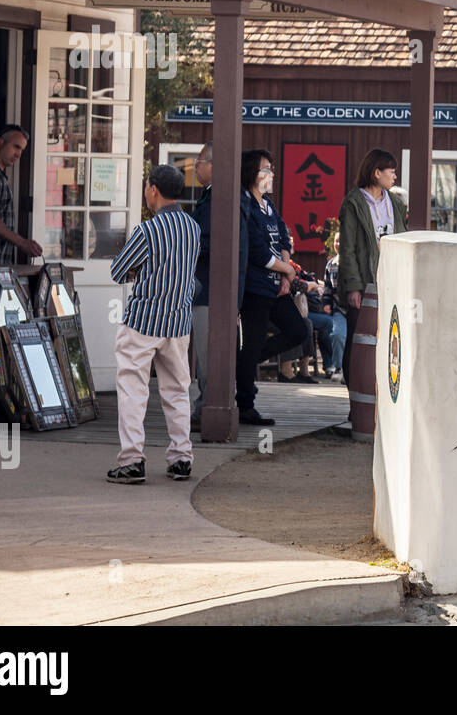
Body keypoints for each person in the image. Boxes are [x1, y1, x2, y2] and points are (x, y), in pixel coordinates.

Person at [106, 165, 201, 484]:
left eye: (147, 186)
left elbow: (119, 271)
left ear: (153, 190)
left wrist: (138, 272)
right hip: (178, 321)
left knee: (133, 389)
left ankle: (132, 460)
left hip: (144, 320)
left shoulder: (148, 230)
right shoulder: (192, 228)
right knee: (177, 390)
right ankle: (181, 457)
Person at [237, 149, 307, 425]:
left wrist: (287, 274)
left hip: (277, 285)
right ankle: (245, 406)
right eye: (265, 169)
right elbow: (256, 250)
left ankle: (243, 363)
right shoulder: (246, 206)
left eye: (272, 168)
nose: (271, 174)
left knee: (298, 330)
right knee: (252, 343)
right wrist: (286, 269)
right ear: (252, 173)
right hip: (255, 288)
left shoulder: (269, 205)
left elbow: (284, 240)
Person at [188, 143, 249, 432]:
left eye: (198, 161)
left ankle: (207, 408)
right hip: (218, 290)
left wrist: (184, 248)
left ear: (212, 165)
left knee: (207, 355)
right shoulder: (224, 198)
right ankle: (206, 405)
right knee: (209, 355)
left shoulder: (218, 201)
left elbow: (211, 242)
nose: (195, 167)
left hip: (210, 289)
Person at [337, 149, 407, 386]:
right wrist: (353, 288)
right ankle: (356, 399)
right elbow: (347, 249)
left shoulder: (395, 203)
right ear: (377, 173)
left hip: (391, 282)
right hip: (365, 282)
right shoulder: (354, 203)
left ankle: (379, 398)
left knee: (388, 341)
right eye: (391, 172)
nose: (395, 177)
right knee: (359, 342)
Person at [0, 124, 43, 264]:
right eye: (16, 147)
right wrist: (21, 242)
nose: (19, 155)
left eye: (22, 150)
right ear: (0, 143)